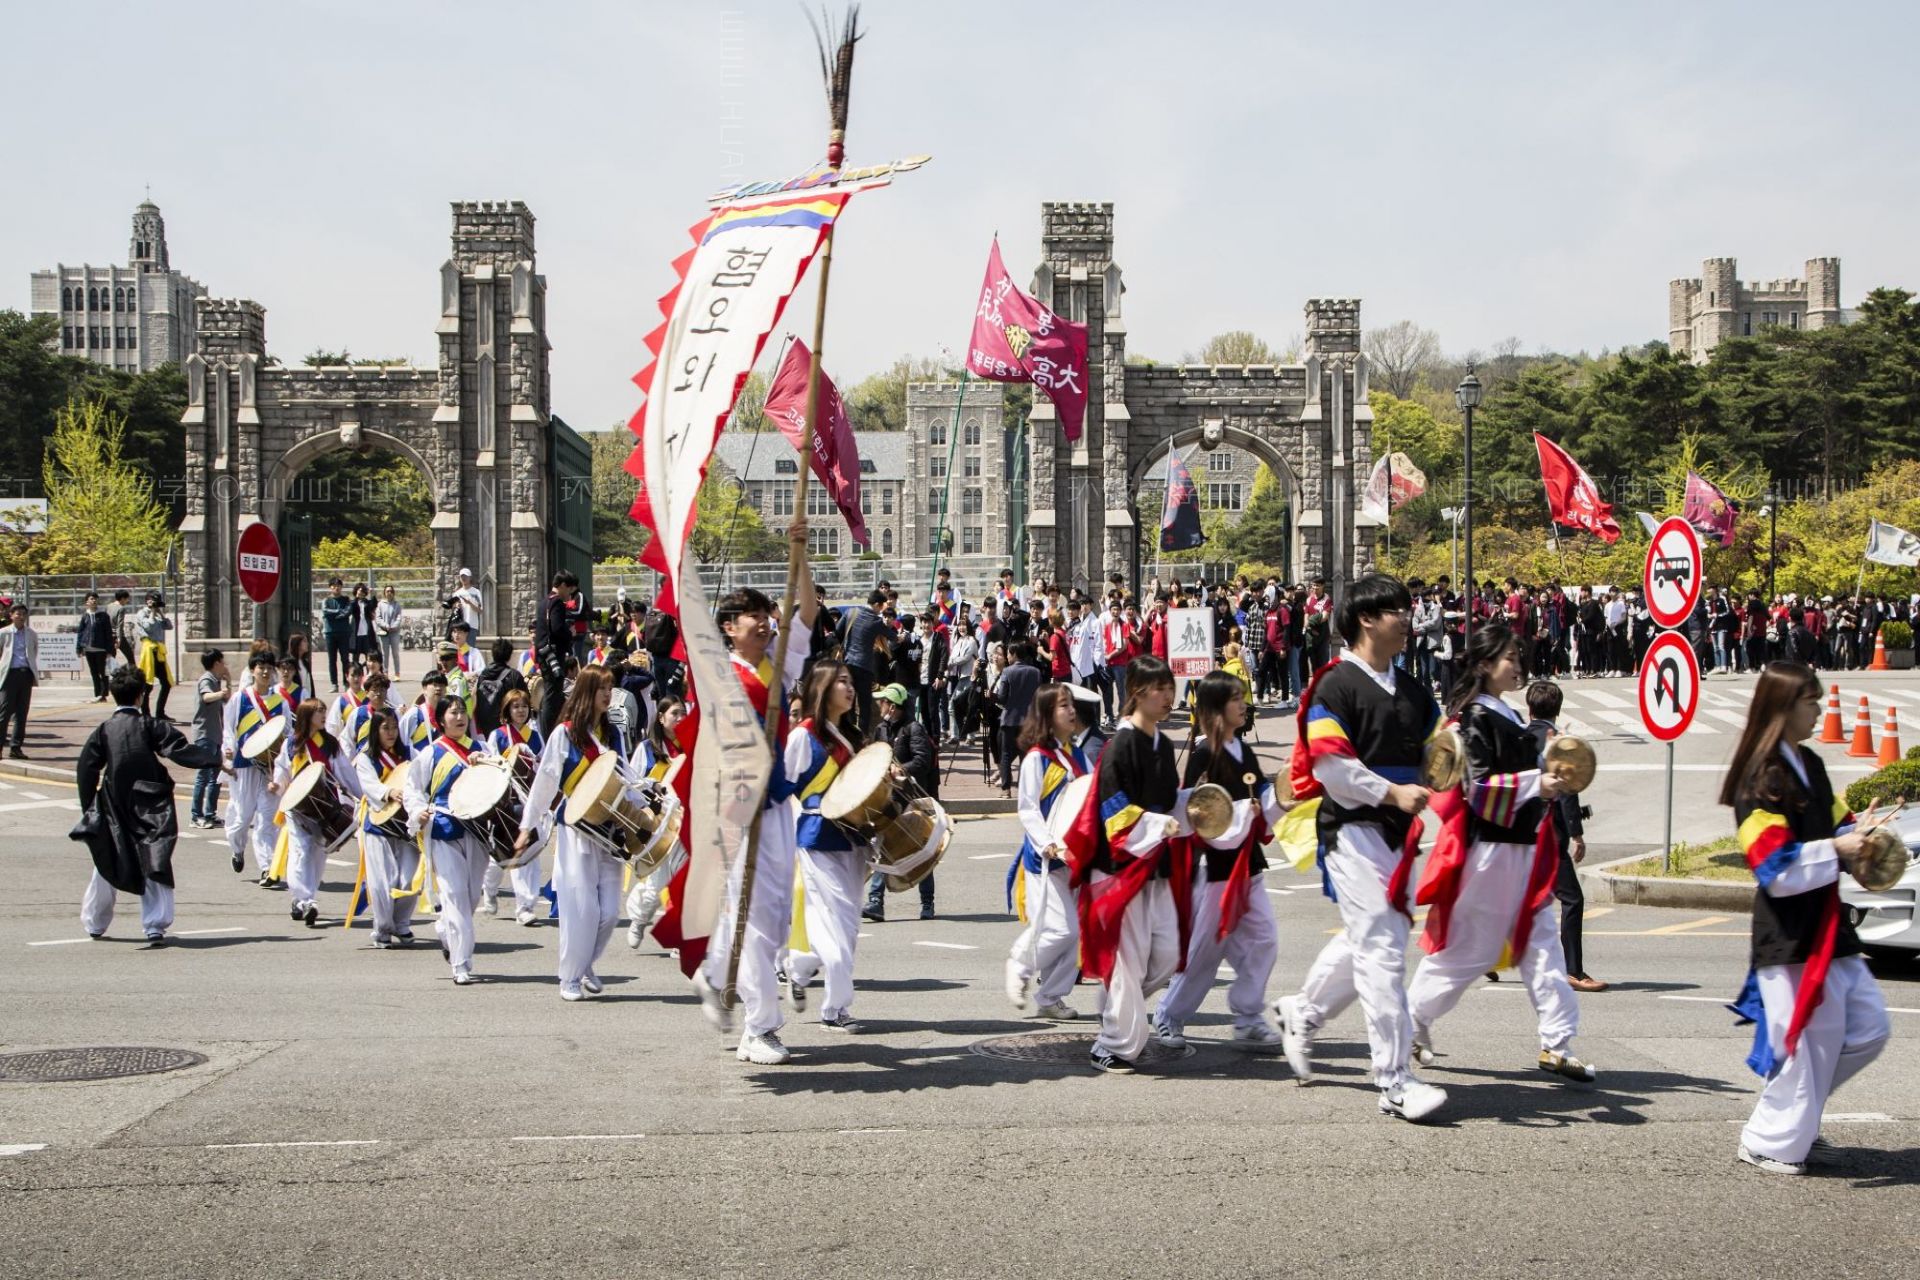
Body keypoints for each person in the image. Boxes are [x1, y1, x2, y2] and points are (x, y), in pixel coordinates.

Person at [1273, 574, 1448, 1121]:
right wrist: (1391, 791)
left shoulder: (1417, 690)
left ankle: (1302, 1012)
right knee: (1383, 949)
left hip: (1399, 837)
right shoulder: (1334, 685)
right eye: (1397, 608)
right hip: (1351, 830)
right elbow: (1331, 767)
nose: (1408, 616)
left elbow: (1443, 756)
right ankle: (1394, 1079)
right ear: (1366, 619)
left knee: (1375, 937)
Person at [1722, 661, 1893, 1175]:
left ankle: (1795, 1121)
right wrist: (1839, 847)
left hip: (1827, 924)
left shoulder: (1810, 764)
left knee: (1867, 1030)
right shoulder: (1759, 777)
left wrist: (1862, 842)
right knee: (1810, 1044)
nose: (1819, 708)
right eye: (1810, 700)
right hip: (1790, 933)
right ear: (1783, 707)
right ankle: (1770, 1140)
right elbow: (1774, 869)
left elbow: (1841, 823)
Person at [1405, 622, 1595, 1083]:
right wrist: (1538, 782)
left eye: (1517, 656)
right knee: (1472, 951)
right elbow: (1479, 790)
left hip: (1520, 849)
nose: (1518, 664)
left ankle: (1557, 1041)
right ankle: (1406, 1022)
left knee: (1542, 946)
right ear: (1486, 665)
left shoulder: (1502, 715)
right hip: (1491, 852)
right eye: (1510, 657)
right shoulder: (1474, 719)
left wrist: (1545, 772)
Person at [694, 560, 820, 1066]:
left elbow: (806, 611)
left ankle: (720, 968)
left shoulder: (777, 664)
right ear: (729, 626)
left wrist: (802, 556)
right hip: (736, 805)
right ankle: (760, 1027)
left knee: (770, 912)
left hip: (775, 803)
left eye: (768, 615)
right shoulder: (716, 674)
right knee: (752, 915)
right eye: (754, 616)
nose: (766, 622)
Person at [1062, 655, 1191, 1073]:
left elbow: (1171, 801)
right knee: (1130, 959)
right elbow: (1114, 813)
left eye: (1170, 687)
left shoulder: (1160, 742)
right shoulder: (1121, 744)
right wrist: (1157, 822)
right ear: (1136, 693)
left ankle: (1116, 1007)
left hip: (1153, 862)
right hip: (1121, 867)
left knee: (1168, 953)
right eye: (1160, 688)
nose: (1169, 696)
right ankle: (1113, 1044)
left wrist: (1209, 807)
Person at [1152, 670, 1289, 1051]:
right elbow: (1194, 808)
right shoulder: (1201, 752)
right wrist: (1245, 809)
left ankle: (1247, 1016)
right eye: (1234, 699)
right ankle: (1168, 1015)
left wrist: (1280, 794)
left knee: (1264, 939)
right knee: (1204, 950)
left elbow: (1261, 791)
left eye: (1243, 696)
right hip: (1211, 866)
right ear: (1215, 708)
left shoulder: (1243, 750)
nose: (1243, 704)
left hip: (1248, 861)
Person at [71, 666, 219, 943]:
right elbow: (178, 749)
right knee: (155, 859)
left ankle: (95, 923)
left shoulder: (104, 730)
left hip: (114, 805)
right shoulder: (149, 725)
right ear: (141, 695)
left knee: (107, 859)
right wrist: (213, 759)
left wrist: (91, 808)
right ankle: (155, 924)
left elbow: (86, 769)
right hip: (150, 805)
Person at [515, 667, 635, 1001]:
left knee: (609, 913)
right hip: (577, 828)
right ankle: (569, 977)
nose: (608, 694)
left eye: (610, 687)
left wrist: (644, 803)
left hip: (609, 830)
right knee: (581, 909)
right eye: (602, 688)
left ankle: (585, 964)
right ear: (586, 691)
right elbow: (544, 785)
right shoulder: (563, 735)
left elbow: (625, 774)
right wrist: (527, 826)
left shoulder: (614, 734)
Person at [786, 661, 868, 1032]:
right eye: (842, 683)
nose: (850, 689)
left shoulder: (850, 737)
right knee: (834, 931)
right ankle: (835, 1009)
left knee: (848, 926)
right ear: (822, 690)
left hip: (853, 839)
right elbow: (782, 786)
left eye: (851, 683)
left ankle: (798, 966)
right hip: (817, 837)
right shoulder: (803, 736)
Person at [1004, 686, 1089, 1020]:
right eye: (1063, 705)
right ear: (1046, 715)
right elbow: (1027, 810)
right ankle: (1020, 963)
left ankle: (1051, 996)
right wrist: (1047, 844)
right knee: (1062, 929)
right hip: (1045, 859)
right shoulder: (1036, 758)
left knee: (1077, 932)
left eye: (1071, 705)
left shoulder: (1077, 754)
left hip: (1075, 857)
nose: (1071, 710)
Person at [1525, 680, 1605, 993]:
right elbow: (1567, 789)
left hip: (1519, 833)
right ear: (1558, 710)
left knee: (1521, 899)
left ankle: (1490, 957)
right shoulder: (1557, 742)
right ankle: (1573, 969)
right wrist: (1577, 833)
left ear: (1530, 709)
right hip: (1549, 834)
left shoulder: (1518, 736)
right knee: (1572, 899)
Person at [404, 694, 488, 984]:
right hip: (443, 829)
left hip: (476, 830)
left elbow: (500, 779)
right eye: (453, 713)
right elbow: (413, 788)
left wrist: (485, 764)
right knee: (453, 895)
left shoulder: (479, 748)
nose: (460, 717)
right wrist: (418, 812)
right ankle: (461, 963)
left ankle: (444, 928)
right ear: (441, 720)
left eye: (462, 712)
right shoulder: (432, 753)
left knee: (472, 895)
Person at [274, 697, 362, 928]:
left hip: (325, 807)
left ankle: (303, 898)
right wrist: (277, 785)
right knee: (300, 851)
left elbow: (345, 773)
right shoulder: (291, 744)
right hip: (297, 807)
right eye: (318, 712)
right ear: (306, 716)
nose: (323, 715)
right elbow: (282, 769)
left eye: (324, 711)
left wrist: (362, 796)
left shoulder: (330, 743)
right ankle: (306, 900)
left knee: (318, 853)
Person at [862, 683, 939, 923]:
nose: (879, 704)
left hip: (910, 800)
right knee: (882, 848)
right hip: (887, 799)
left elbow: (922, 760)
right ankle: (876, 902)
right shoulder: (881, 729)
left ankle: (927, 902)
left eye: (883, 701)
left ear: (893, 705)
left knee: (920, 851)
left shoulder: (913, 729)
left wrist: (900, 770)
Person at [352, 707, 419, 949]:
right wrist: (388, 792)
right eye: (385, 728)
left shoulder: (410, 753)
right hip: (379, 824)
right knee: (382, 882)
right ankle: (382, 929)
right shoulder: (365, 758)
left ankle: (401, 923)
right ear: (375, 731)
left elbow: (423, 774)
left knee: (411, 878)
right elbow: (369, 785)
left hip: (406, 826)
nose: (391, 733)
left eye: (393, 727)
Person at [626, 695, 688, 947]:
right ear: (661, 718)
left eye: (683, 713)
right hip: (657, 824)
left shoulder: (691, 746)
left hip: (686, 823)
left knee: (685, 881)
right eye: (674, 713)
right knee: (656, 884)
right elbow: (632, 783)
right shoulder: (647, 749)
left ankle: (679, 935)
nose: (680, 718)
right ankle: (639, 919)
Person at [483, 688, 548, 925]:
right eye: (515, 706)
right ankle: (489, 890)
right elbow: (491, 765)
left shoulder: (535, 736)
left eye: (523, 706)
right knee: (499, 856)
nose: (520, 710)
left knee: (528, 853)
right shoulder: (498, 736)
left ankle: (525, 907)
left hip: (528, 802)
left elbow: (542, 766)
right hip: (505, 803)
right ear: (507, 710)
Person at [223, 652, 289, 881]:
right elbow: (229, 729)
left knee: (267, 818)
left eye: (268, 667)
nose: (264, 671)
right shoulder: (240, 699)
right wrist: (228, 753)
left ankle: (268, 867)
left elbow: (288, 732)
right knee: (242, 817)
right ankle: (237, 848)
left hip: (270, 767)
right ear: (252, 670)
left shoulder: (280, 702)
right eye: (260, 667)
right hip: (244, 765)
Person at [992, 638, 1043, 794]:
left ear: (1014, 654)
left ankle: (1006, 789)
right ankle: (1024, 788)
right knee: (1025, 755)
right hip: (1028, 719)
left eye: (1008, 653)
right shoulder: (1035, 672)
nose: (1007, 656)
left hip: (1009, 719)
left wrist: (992, 696)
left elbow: (1002, 698)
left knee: (1006, 754)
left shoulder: (1007, 672)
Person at [837, 590, 888, 738]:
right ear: (877, 605)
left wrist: (846, 646)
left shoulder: (851, 612)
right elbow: (891, 636)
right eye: (882, 606)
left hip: (848, 665)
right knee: (864, 706)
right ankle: (863, 738)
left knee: (849, 703)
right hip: (865, 668)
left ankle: (849, 736)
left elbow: (838, 631)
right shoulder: (876, 621)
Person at [190, 650, 230, 830]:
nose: (225, 665)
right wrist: (220, 692)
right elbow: (206, 696)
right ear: (216, 664)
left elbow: (228, 699)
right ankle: (196, 815)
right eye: (223, 662)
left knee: (215, 777)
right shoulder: (206, 680)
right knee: (203, 776)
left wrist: (227, 681)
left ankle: (210, 814)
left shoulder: (216, 681)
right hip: (204, 735)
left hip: (215, 735)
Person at [0, 603, 39, 759]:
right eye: (18, 614)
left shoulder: (31, 634)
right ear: (11, 615)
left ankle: (16, 747)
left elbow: (34, 651)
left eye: (23, 614)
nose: (21, 617)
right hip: (9, 675)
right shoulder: (4, 633)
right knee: (4, 712)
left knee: (22, 713)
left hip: (26, 675)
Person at [472, 638, 526, 738]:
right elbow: (525, 700)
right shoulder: (514, 676)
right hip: (507, 727)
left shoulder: (483, 675)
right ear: (509, 655)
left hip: (485, 724)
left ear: (493, 654)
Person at [132, 593, 174, 720]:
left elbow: (169, 626)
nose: (154, 604)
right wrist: (152, 612)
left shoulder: (157, 614)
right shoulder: (141, 613)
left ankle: (160, 712)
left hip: (159, 652)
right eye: (152, 601)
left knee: (166, 684)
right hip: (148, 651)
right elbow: (148, 626)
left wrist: (160, 613)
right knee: (148, 684)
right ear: (147, 601)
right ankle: (145, 713)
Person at [76, 591, 115, 701]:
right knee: (94, 673)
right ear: (86, 602)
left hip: (101, 648)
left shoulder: (103, 615)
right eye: (91, 599)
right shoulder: (85, 616)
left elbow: (108, 633)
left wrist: (109, 649)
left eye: (95, 599)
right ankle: (97, 694)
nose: (94, 601)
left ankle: (103, 694)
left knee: (103, 673)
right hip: (88, 649)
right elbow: (80, 632)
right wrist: (79, 647)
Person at [322, 577, 353, 691]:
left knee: (345, 659)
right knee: (332, 659)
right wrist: (339, 612)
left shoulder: (346, 599)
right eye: (334, 586)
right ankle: (334, 684)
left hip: (344, 632)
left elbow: (348, 612)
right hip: (330, 633)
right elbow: (325, 612)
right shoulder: (326, 600)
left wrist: (335, 614)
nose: (336, 588)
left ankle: (346, 683)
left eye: (338, 586)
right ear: (330, 587)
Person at [375, 585, 405, 676]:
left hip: (394, 632)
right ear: (384, 593)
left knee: (395, 653)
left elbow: (399, 618)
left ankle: (397, 673)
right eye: (387, 591)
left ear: (393, 593)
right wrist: (385, 625)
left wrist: (393, 626)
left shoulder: (397, 605)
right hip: (383, 632)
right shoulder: (380, 604)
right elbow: (378, 618)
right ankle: (385, 673)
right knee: (385, 654)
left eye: (391, 591)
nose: (389, 593)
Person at [448, 567, 483, 639]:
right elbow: (452, 610)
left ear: (470, 578)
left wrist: (469, 603)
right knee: (461, 649)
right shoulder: (456, 594)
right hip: (459, 627)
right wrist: (456, 606)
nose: (464, 578)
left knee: (469, 649)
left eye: (466, 576)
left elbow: (480, 610)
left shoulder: (476, 592)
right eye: (462, 576)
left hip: (472, 626)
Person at [350, 582, 379, 662]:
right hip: (356, 634)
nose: (361, 593)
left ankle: (369, 673)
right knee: (355, 657)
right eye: (359, 590)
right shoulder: (353, 602)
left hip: (367, 634)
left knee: (369, 657)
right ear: (356, 591)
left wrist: (372, 594)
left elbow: (374, 604)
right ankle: (356, 674)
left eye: (363, 591)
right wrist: (356, 598)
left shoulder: (367, 602)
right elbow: (351, 608)